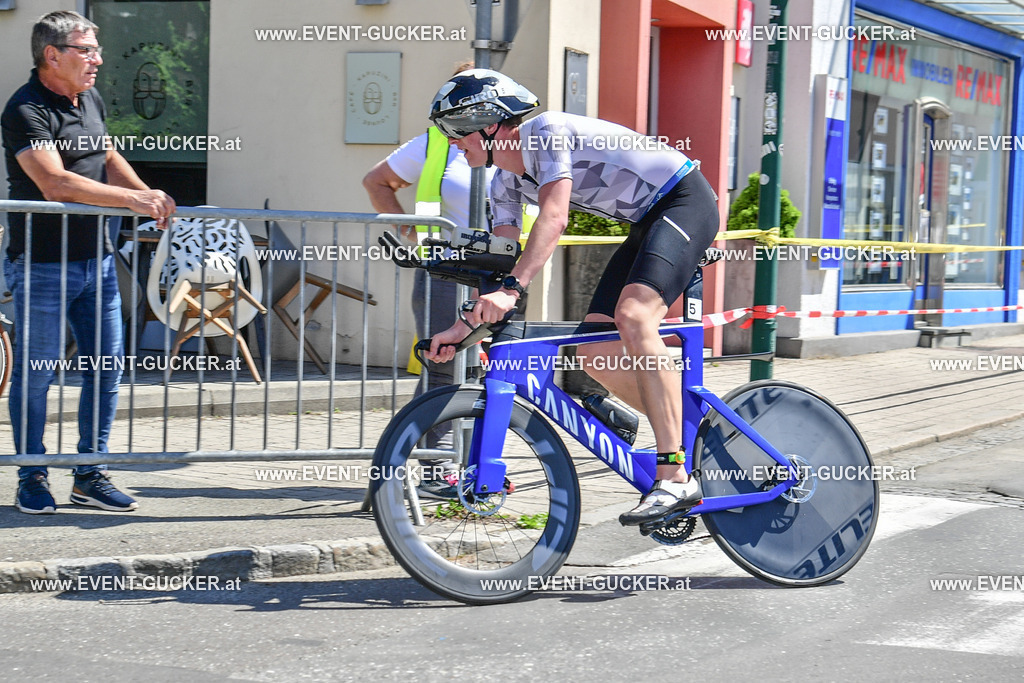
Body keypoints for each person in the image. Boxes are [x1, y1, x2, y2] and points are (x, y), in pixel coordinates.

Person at [423, 69, 720, 526]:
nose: (453, 145)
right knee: (594, 352)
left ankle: (675, 472)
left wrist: (513, 291)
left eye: (455, 133)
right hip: (646, 223)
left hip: (684, 200)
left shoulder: (545, 133)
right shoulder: (503, 183)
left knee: (635, 316)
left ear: (486, 120)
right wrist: (465, 325)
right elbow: (505, 262)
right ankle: (697, 433)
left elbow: (554, 218)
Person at [2, 11, 176, 514]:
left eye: (97, 50)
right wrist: (129, 204)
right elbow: (54, 183)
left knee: (105, 369)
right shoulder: (25, 108)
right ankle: (31, 477)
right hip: (41, 264)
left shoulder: (90, 97)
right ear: (51, 55)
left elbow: (105, 154)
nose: (97, 60)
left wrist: (149, 195)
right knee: (37, 374)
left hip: (96, 259)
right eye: (86, 50)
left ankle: (89, 473)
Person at [362, 61, 493, 500]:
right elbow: (377, 181)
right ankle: (434, 468)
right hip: (444, 271)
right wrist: (410, 228)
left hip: (498, 275)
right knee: (442, 368)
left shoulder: (507, 141)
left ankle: (458, 463)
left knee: (481, 372)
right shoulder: (434, 143)